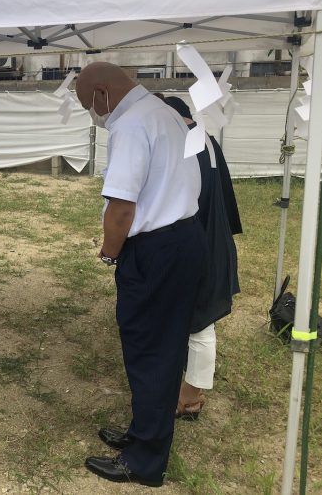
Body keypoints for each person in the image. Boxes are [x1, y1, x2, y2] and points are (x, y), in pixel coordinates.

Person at [75, 63, 206, 487]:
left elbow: (122, 208)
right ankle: (143, 433)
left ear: (100, 93)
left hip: (155, 249)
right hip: (182, 239)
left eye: (88, 106)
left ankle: (145, 460)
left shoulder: (131, 124)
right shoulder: (163, 111)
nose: (94, 116)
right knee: (161, 346)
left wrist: (110, 254)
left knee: (149, 349)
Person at [159, 95, 241, 420]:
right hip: (213, 235)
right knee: (195, 317)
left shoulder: (189, 144)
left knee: (201, 321)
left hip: (201, 240)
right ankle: (188, 387)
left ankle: (191, 398)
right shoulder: (206, 141)